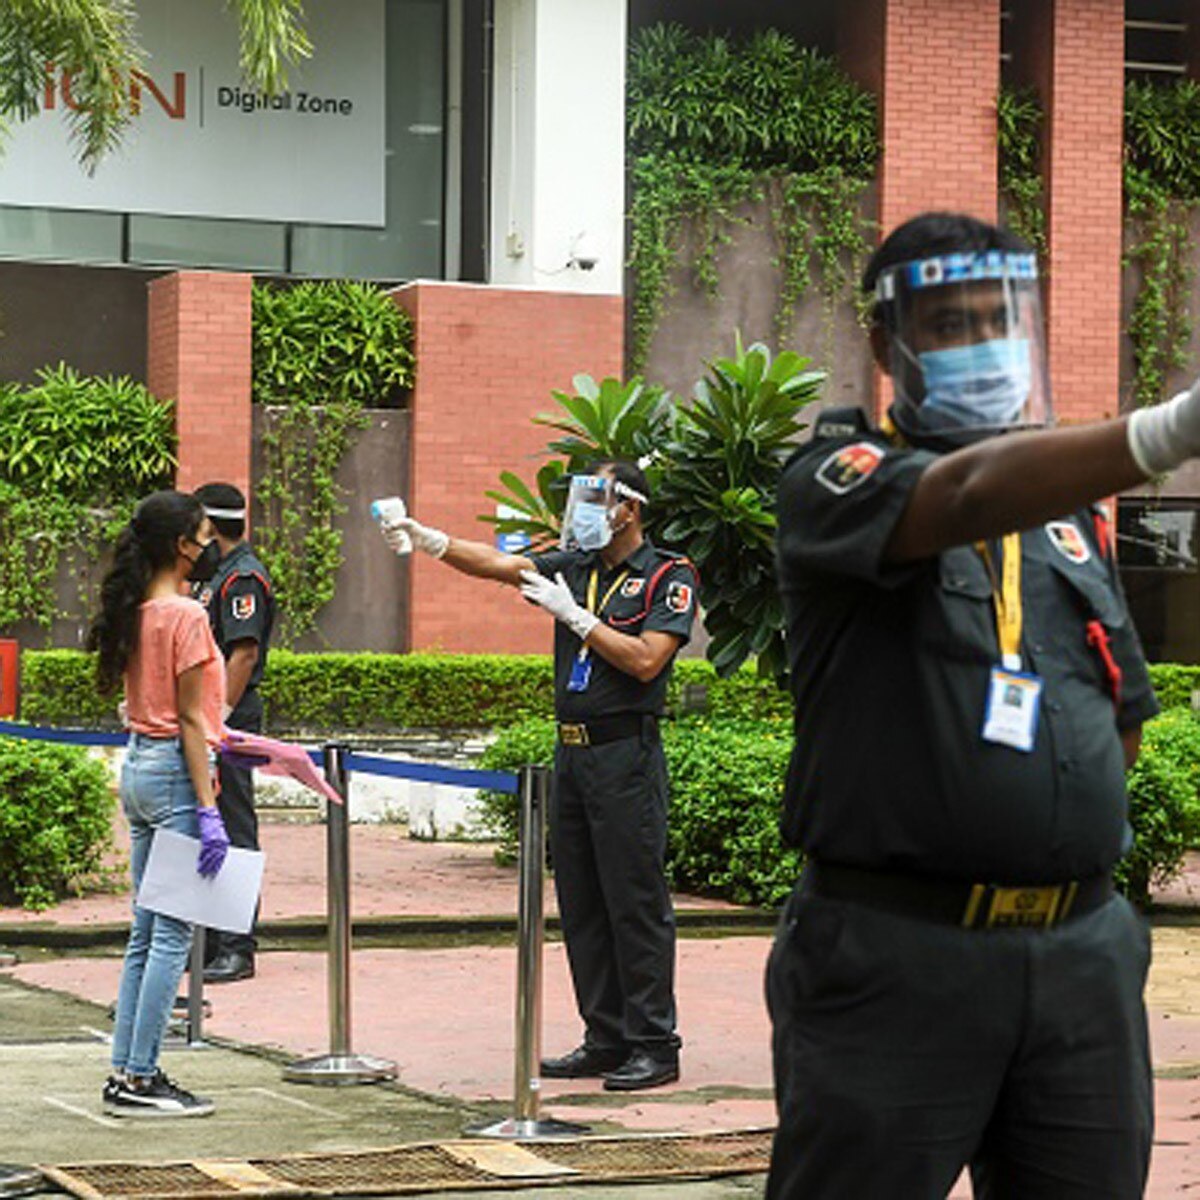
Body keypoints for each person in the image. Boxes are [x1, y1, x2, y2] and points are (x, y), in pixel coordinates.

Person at [766, 210, 1197, 1198]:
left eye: (1001, 320)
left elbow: (1121, 718)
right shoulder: (839, 479)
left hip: (1082, 960)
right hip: (899, 955)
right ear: (889, 343)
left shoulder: (1070, 522)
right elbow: (962, 496)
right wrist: (1168, 431)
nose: (983, 343)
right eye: (952, 324)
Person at [378, 461, 699, 1090]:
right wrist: (428, 538)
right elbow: (499, 565)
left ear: (629, 508)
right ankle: (605, 1037)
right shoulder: (576, 565)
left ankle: (654, 1044)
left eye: (596, 499)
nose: (583, 511)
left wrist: (577, 618)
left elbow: (646, 660)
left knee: (634, 901)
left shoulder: (668, 575)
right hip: (573, 754)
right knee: (582, 901)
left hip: (625, 754)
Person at [89, 490, 231, 1118]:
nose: (208, 547)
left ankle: (126, 1070)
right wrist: (208, 808)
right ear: (181, 545)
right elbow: (192, 721)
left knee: (145, 934)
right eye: (203, 536)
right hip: (175, 773)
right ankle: (141, 1078)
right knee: (171, 933)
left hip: (139, 766)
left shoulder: (136, 610)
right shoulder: (187, 616)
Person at [191, 482, 275, 984]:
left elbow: (243, 653)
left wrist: (219, 717)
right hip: (206, 717)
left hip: (230, 719)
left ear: (210, 527)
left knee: (234, 826)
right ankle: (205, 941)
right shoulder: (215, 576)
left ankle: (237, 946)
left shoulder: (242, 578)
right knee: (205, 823)